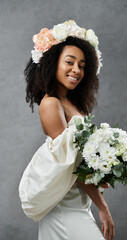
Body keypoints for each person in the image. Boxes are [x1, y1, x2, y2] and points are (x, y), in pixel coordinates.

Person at [19, 20, 115, 240]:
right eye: (69, 62)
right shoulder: (51, 103)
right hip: (64, 208)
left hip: (78, 205)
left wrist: (101, 171)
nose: (76, 70)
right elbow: (72, 163)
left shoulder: (71, 103)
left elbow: (81, 157)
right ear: (52, 64)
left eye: (82, 65)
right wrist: (103, 207)